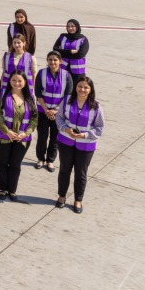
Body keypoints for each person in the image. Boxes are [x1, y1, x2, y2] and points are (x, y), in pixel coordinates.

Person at [56, 75, 105, 214]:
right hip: (66, 141)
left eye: (86, 87)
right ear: (75, 87)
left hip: (85, 146)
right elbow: (59, 117)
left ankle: (78, 200)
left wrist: (84, 135)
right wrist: (66, 128)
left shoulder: (96, 107)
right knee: (64, 170)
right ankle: (62, 196)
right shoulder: (66, 101)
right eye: (80, 86)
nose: (82, 89)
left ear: (90, 90)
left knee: (81, 173)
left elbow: (99, 128)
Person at [0, 72, 36, 201]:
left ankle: (12, 190)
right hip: (2, 136)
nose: (17, 83)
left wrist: (26, 133)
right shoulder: (2, 94)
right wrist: (7, 131)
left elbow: (34, 119)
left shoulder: (30, 97)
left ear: (25, 82)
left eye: (20, 81)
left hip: (22, 138)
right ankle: (2, 189)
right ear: (9, 81)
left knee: (15, 164)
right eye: (14, 80)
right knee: (2, 162)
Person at [34, 52, 71, 172]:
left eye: (55, 60)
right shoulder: (41, 73)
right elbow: (38, 93)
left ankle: (50, 160)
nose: (52, 62)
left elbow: (68, 95)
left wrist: (55, 110)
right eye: (50, 60)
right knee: (42, 137)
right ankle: (40, 158)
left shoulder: (66, 75)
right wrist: (46, 110)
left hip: (58, 113)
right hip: (42, 111)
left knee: (55, 138)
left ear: (60, 61)